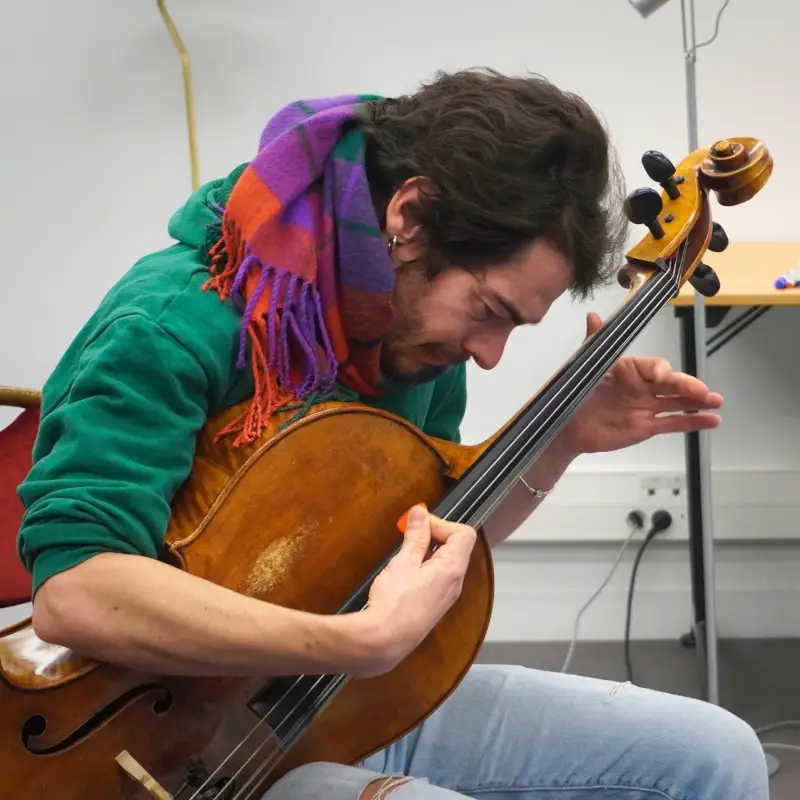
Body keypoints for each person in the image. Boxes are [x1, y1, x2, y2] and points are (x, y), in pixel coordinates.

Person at [16, 68, 768, 799]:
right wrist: (355, 643)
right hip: (151, 745)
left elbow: (427, 542)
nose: (489, 353)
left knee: (715, 754)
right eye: (491, 311)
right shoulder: (172, 322)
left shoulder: (416, 349)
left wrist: (564, 438)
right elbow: (76, 593)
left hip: (334, 704)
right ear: (408, 218)